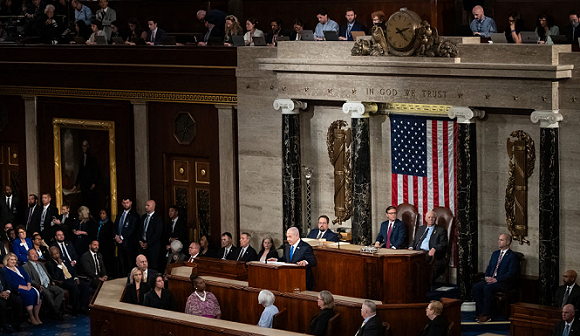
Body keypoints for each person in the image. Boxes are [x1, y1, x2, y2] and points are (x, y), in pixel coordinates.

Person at [472, 233, 519, 323]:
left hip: (502, 282)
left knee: (487, 288)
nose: (499, 241)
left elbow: (511, 273)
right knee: (476, 287)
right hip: (491, 279)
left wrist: (497, 279)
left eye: (501, 240)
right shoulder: (495, 254)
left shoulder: (512, 256)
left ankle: (487, 314)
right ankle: (481, 311)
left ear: (508, 242)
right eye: (499, 239)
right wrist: (487, 277)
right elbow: (489, 267)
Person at [46, 246, 91, 315]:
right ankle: (75, 309)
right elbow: (55, 277)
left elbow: (72, 270)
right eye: (54, 254)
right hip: (63, 281)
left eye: (57, 253)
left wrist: (76, 277)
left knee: (85, 285)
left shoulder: (64, 259)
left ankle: (84, 307)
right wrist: (59, 266)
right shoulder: (50, 264)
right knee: (74, 286)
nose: (57, 255)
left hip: (71, 278)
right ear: (51, 255)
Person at [22, 249, 65, 320]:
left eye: (36, 253)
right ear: (28, 257)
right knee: (48, 294)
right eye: (33, 254)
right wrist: (37, 285)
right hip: (40, 286)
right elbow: (28, 279)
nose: (35, 255)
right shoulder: (26, 266)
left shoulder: (41, 264)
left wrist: (52, 281)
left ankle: (53, 312)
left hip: (48, 284)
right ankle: (56, 313)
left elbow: (47, 275)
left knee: (60, 291)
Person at [409, 210, 449, 284]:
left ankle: (421, 284)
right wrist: (411, 247)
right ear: (425, 219)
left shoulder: (440, 230)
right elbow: (415, 240)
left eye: (433, 217)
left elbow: (444, 244)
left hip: (429, 253)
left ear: (435, 219)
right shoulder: (421, 228)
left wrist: (435, 248)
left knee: (420, 262)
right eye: (429, 217)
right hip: (417, 251)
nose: (431, 219)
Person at [2, 252, 42, 325]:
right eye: (11, 260)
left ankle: (37, 316)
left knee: (37, 294)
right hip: (17, 288)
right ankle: (31, 317)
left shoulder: (20, 268)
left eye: (14, 259)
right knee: (29, 295)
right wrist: (22, 287)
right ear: (7, 260)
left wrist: (29, 285)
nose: (13, 261)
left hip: (27, 286)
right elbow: (9, 283)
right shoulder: (5, 270)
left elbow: (27, 277)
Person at [115, 197, 140, 276]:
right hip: (120, 244)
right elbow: (115, 226)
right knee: (121, 263)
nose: (126, 205)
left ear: (131, 203)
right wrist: (116, 236)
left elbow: (132, 229)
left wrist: (122, 237)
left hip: (129, 244)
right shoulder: (119, 214)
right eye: (124, 203)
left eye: (127, 203)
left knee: (130, 263)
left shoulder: (134, 215)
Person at [138, 200, 163, 270]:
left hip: (153, 246)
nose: (145, 207)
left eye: (148, 205)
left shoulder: (157, 218)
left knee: (153, 265)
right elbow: (139, 230)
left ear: (153, 206)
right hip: (142, 246)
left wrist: (148, 243)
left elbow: (157, 233)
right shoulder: (143, 217)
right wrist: (140, 240)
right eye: (146, 205)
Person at [0, 267, 23, 333]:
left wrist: (7, 291)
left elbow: (8, 283)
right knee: (2, 304)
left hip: (5, 293)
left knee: (17, 301)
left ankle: (16, 323)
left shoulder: (2, 270)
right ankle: (3, 326)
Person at [96, 209, 115, 277]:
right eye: (100, 213)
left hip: (107, 246)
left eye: (103, 213)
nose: (102, 215)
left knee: (108, 261)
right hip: (99, 245)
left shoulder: (109, 224)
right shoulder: (98, 223)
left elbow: (110, 235)